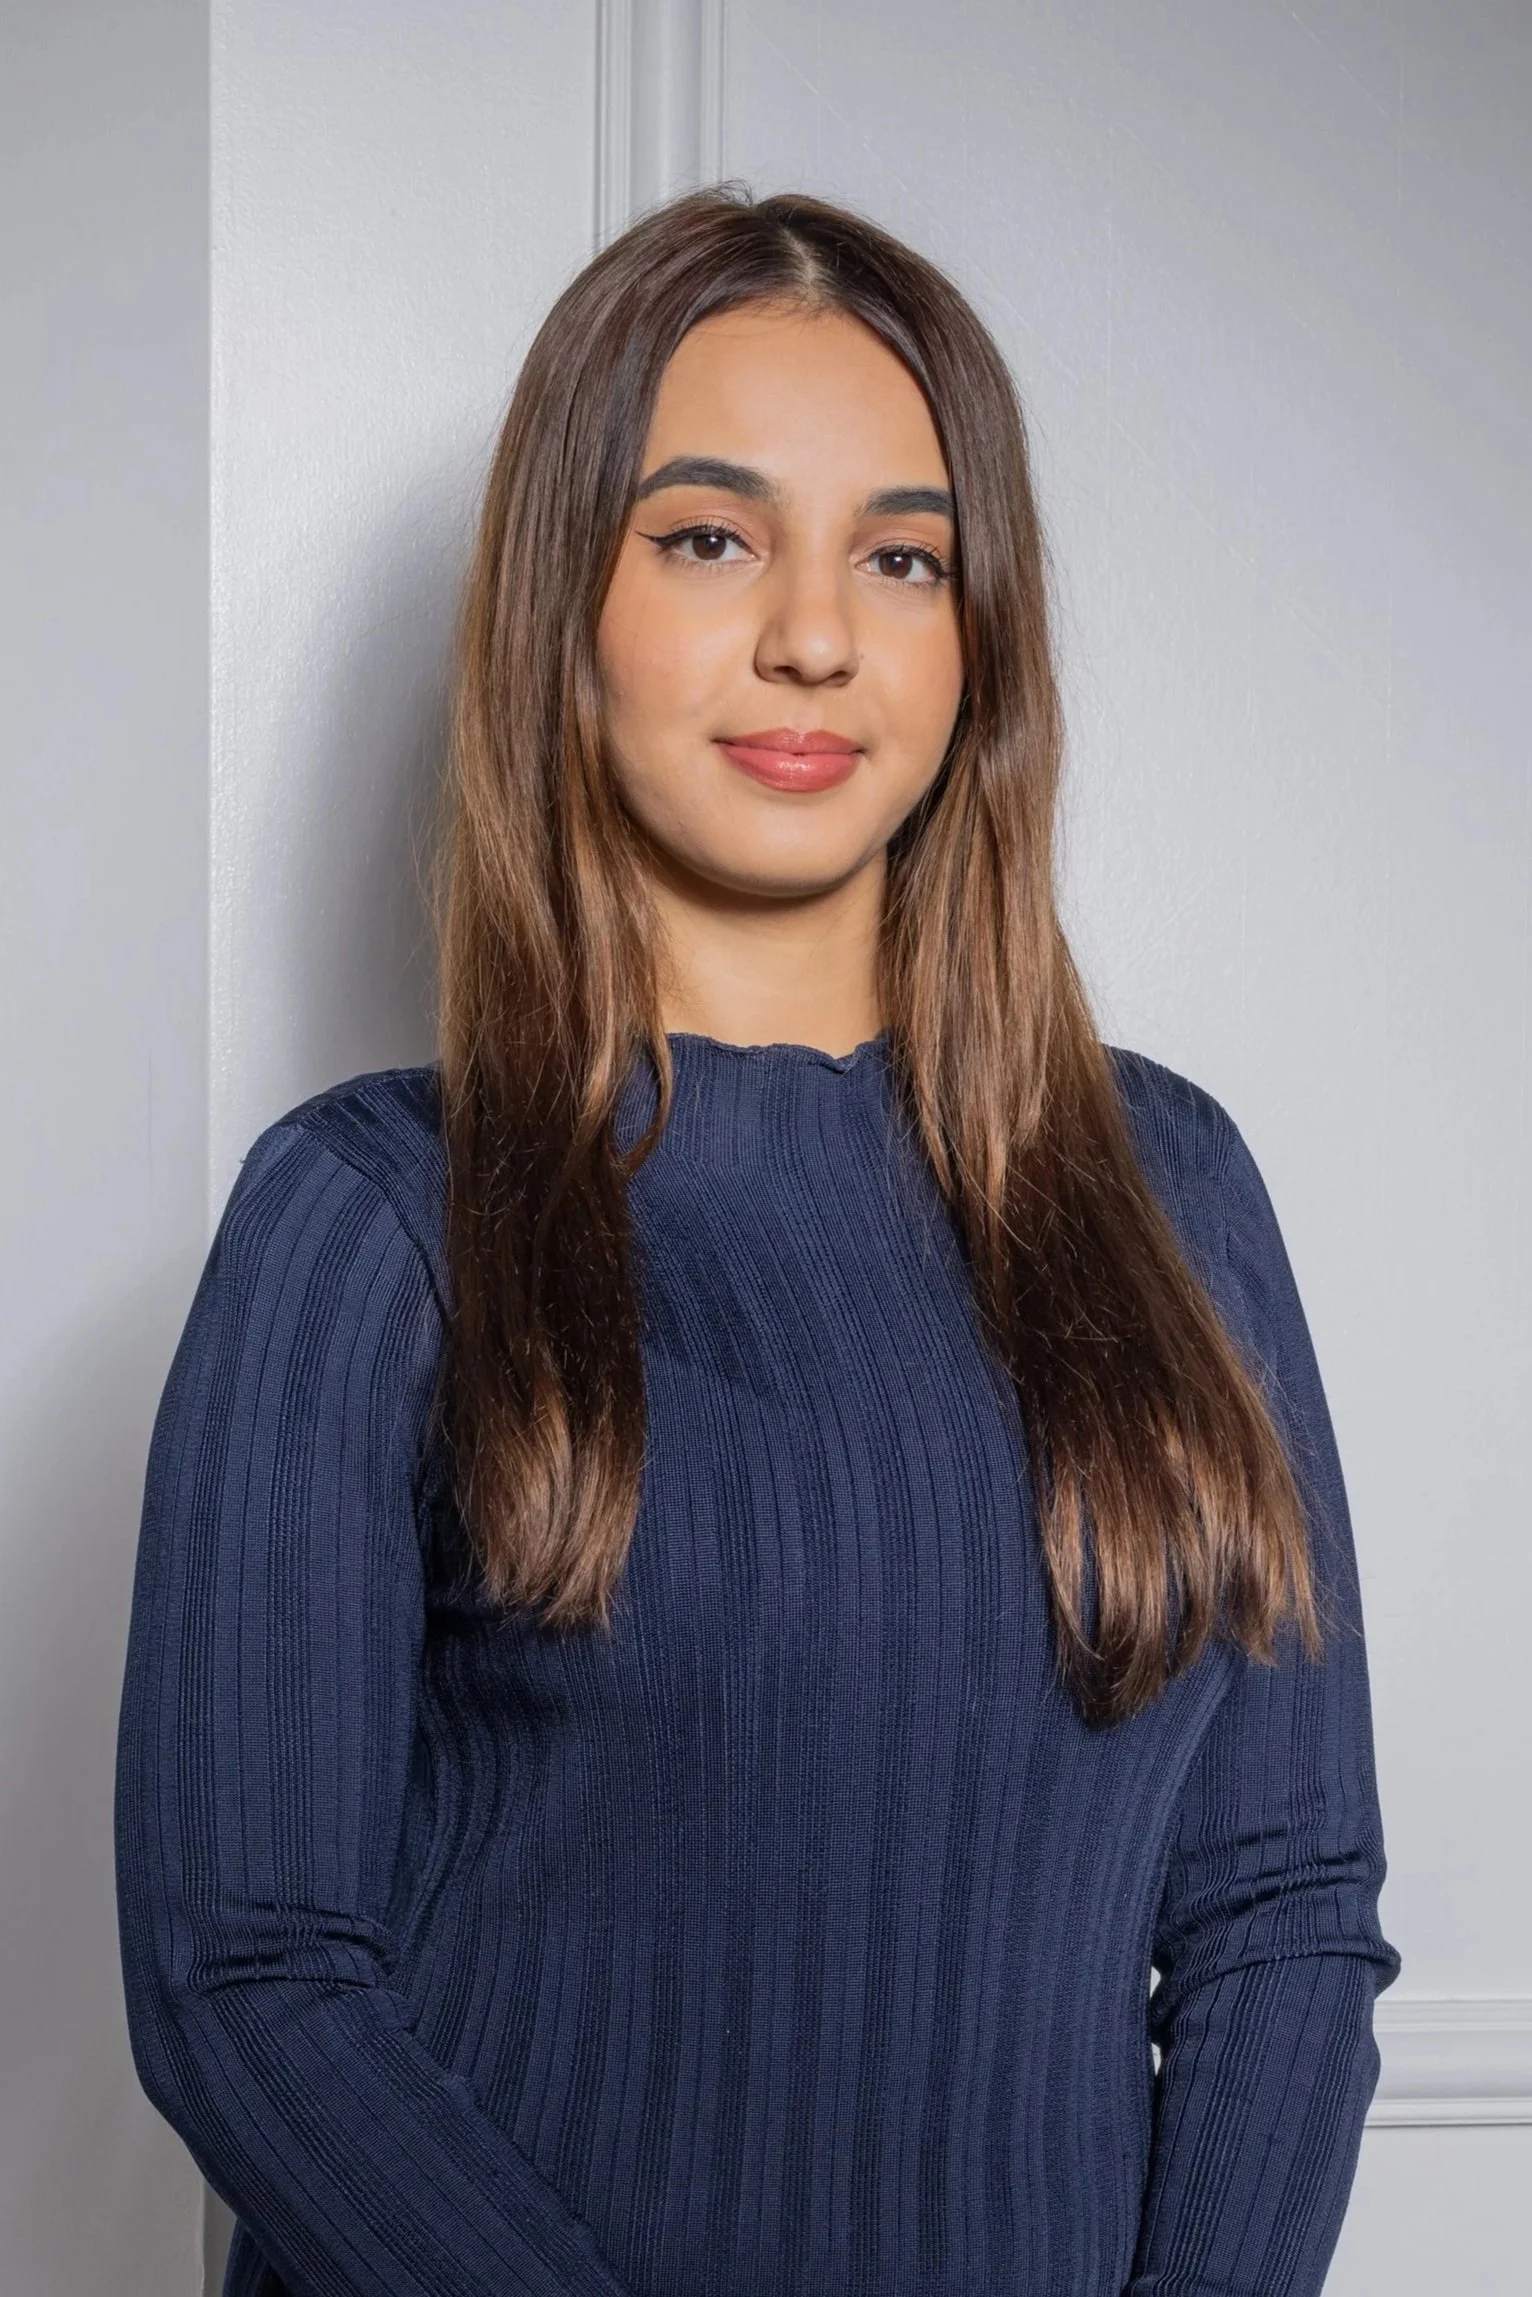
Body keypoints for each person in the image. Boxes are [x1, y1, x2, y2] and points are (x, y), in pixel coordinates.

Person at [114, 187, 1400, 2297]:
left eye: (903, 556)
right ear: (564, 606)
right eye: (708, 536)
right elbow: (243, 1976)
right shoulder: (364, 1223)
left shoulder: (1172, 1196)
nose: (815, 632)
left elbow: (1284, 1904)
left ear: (973, 639)